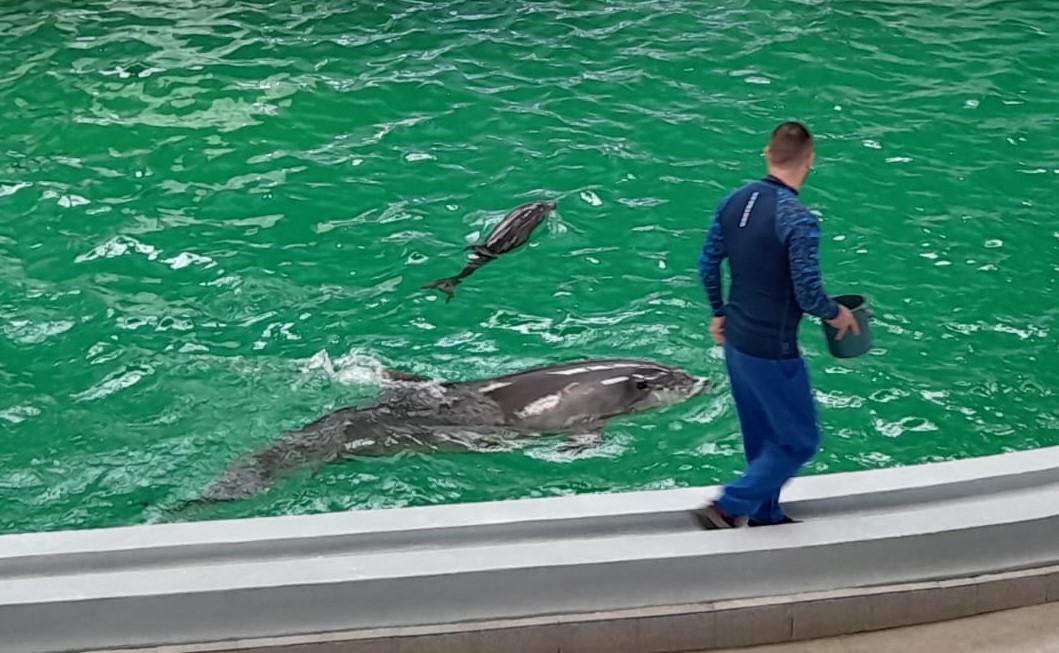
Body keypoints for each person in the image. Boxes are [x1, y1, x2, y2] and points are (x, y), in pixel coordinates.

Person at [692, 121, 859, 530]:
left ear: (768, 154)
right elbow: (807, 293)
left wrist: (718, 311)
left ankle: (766, 515)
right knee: (799, 440)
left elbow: (707, 263)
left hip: (737, 341)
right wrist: (836, 313)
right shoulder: (798, 219)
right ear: (810, 160)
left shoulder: (734, 201)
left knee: (763, 439)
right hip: (772, 348)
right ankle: (728, 506)